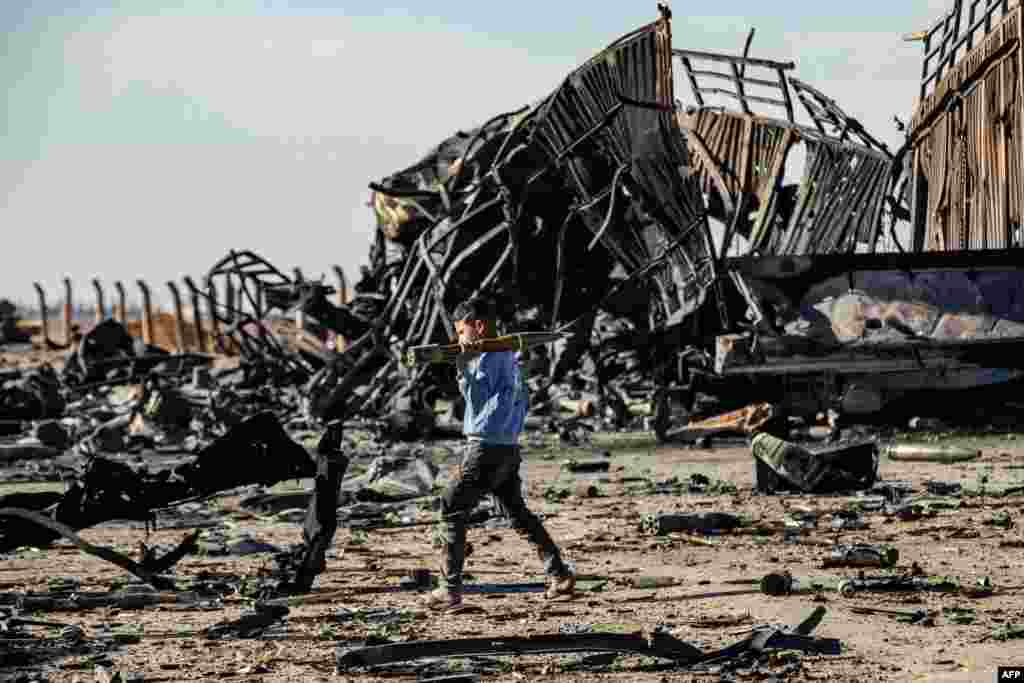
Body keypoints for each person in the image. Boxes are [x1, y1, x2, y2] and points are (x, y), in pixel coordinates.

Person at [423, 296, 576, 610]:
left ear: (478, 327)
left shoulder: (490, 359)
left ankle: (449, 590)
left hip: (485, 449)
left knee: (452, 507)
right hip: (508, 449)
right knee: (516, 512)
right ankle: (558, 573)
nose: (458, 339)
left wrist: (462, 362)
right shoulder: (508, 357)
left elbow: (475, 397)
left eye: (461, 332)